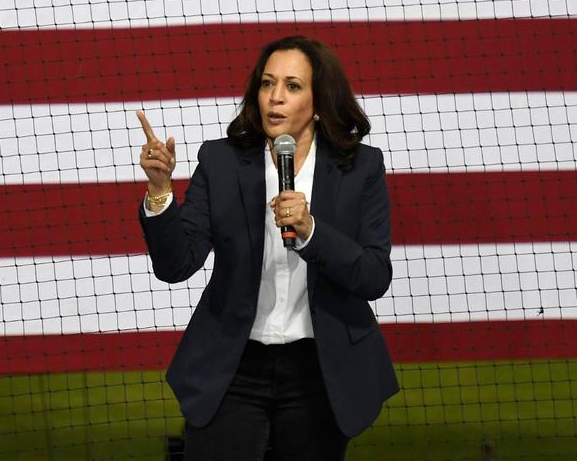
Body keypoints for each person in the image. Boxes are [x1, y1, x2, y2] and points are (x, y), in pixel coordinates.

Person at [136, 35, 399, 460]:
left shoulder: (360, 169)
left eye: (292, 86)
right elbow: (176, 264)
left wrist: (312, 230)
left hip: (319, 372)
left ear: (318, 101)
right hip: (234, 367)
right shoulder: (221, 161)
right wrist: (160, 190)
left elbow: (373, 275)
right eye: (267, 83)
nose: (275, 97)